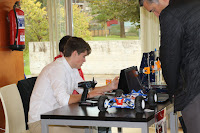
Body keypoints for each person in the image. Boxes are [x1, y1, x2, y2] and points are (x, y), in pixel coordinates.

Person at [28, 37, 119, 133]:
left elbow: (86, 90)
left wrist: (110, 87)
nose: (84, 60)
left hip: (57, 117)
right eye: (83, 56)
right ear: (75, 53)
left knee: (93, 129)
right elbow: (64, 100)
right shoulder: (57, 69)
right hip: (40, 122)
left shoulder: (72, 69)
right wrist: (87, 95)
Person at [139, 0, 200, 132]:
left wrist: (173, 92)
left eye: (153, 10)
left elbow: (169, 58)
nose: (156, 15)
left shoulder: (171, 13)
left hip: (194, 89)